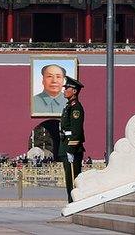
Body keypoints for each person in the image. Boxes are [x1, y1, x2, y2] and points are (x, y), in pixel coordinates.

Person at [58, 75, 85, 203]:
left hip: (71, 147)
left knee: (73, 177)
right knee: (68, 178)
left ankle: (75, 202)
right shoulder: (68, 107)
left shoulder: (76, 108)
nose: (64, 90)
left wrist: (71, 149)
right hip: (65, 145)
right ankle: (70, 201)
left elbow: (77, 131)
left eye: (67, 88)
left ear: (74, 91)